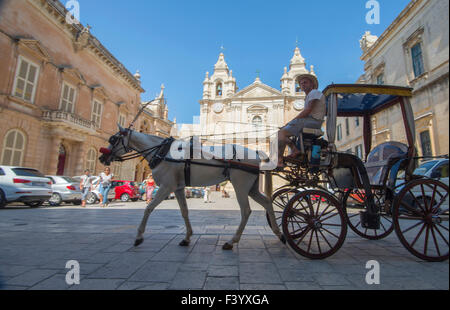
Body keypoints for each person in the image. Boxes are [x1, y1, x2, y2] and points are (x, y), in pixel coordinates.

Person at [276, 74, 326, 169]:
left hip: (312, 121)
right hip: (310, 121)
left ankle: (280, 161)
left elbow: (307, 110)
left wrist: (291, 122)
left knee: (281, 133)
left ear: (312, 84)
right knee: (281, 133)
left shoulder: (314, 93)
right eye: (301, 83)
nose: (302, 85)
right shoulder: (309, 96)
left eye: (305, 82)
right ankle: (294, 150)